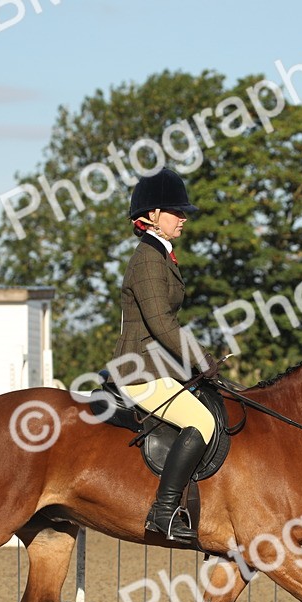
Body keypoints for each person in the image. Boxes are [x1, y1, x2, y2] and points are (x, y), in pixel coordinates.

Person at [112, 167, 215, 544]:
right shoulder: (148, 259)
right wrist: (201, 358)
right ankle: (164, 512)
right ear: (153, 215)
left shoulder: (162, 255)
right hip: (139, 371)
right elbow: (161, 323)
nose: (183, 217)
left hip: (156, 366)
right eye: (176, 211)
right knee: (202, 422)